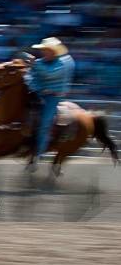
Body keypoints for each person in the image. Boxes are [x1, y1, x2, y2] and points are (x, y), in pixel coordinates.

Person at [25, 37, 75, 169]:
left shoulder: (61, 64)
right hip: (37, 94)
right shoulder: (40, 62)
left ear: (54, 51)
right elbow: (30, 76)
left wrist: (34, 65)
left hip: (52, 97)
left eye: (46, 50)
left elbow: (50, 74)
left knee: (44, 123)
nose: (43, 52)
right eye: (43, 50)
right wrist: (33, 85)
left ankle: (37, 155)